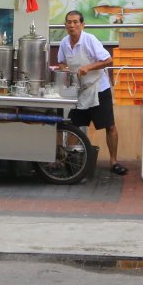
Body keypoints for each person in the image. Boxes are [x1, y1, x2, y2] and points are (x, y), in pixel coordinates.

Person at [56, 10, 126, 175]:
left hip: (98, 88)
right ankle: (70, 160)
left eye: (75, 22)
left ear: (82, 24)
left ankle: (114, 161)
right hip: (79, 90)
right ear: (65, 25)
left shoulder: (90, 40)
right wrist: (67, 73)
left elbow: (108, 60)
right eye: (69, 22)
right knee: (73, 126)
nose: (72, 25)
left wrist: (88, 67)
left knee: (109, 125)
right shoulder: (64, 43)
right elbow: (61, 63)